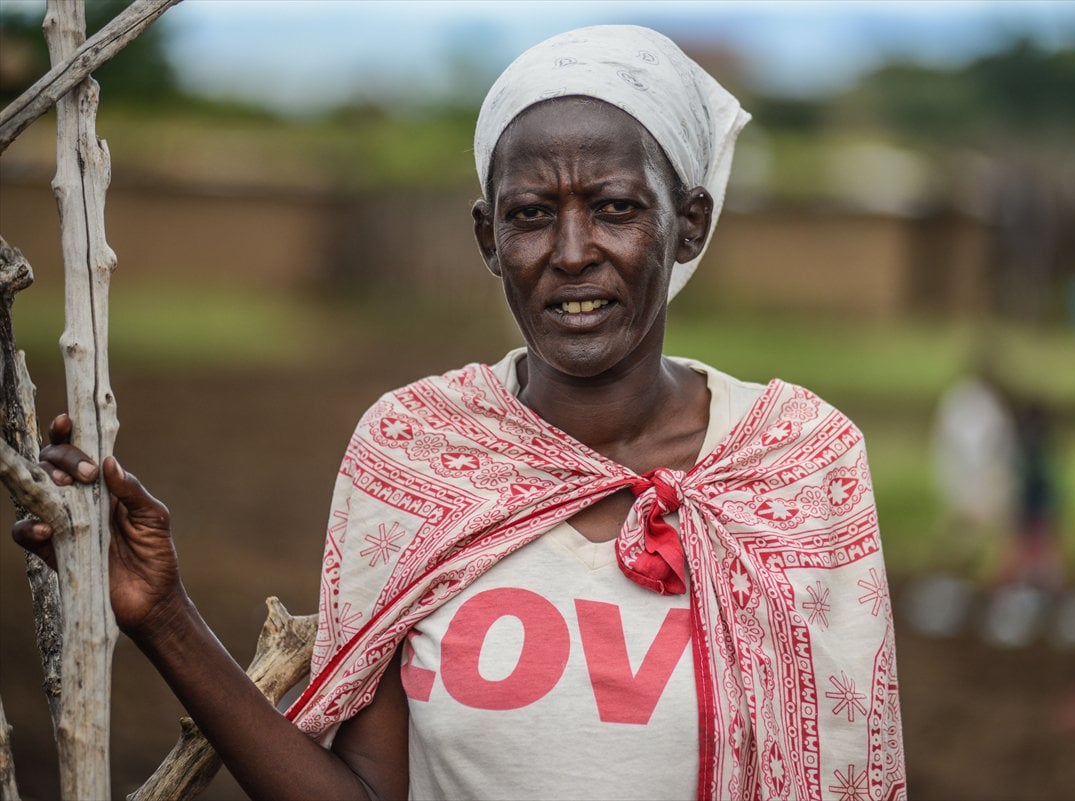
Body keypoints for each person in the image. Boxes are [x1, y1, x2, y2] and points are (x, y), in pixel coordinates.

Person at [16, 25, 906, 801]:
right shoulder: (417, 452)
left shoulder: (798, 464)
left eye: (615, 208)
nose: (570, 252)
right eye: (530, 214)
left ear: (690, 222)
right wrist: (164, 616)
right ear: (490, 238)